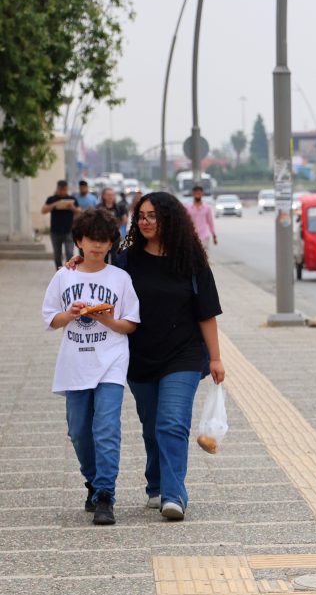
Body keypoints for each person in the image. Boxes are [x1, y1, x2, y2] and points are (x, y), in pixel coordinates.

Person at [123, 192, 225, 520]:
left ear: (169, 218)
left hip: (184, 352)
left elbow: (206, 313)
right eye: (141, 215)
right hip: (140, 354)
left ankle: (174, 494)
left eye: (153, 215)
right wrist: (76, 264)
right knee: (152, 424)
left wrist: (216, 358)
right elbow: (98, 274)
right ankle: (155, 483)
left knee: (172, 422)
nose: (145, 222)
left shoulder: (191, 260)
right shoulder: (126, 258)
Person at [42, 207, 140, 525]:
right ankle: (94, 481)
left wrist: (108, 319)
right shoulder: (64, 276)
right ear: (79, 241)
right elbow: (51, 319)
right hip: (75, 363)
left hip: (111, 361)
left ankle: (106, 495)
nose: (97, 246)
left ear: (111, 243)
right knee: (79, 432)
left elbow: (130, 325)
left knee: (106, 429)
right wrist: (71, 314)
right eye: (90, 239)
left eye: (103, 240)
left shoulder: (120, 278)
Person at [42, 180, 80, 269]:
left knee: (70, 253)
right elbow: (43, 210)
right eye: (61, 190)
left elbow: (79, 211)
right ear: (57, 189)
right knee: (57, 255)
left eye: (65, 190)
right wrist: (55, 204)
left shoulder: (72, 199)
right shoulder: (51, 199)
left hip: (69, 231)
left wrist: (72, 207)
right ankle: (59, 272)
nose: (63, 192)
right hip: (55, 232)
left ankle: (69, 271)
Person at [97, 187, 128, 263]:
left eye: (112, 195)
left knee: (115, 257)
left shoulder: (119, 207)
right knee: (103, 257)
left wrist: (117, 225)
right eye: (108, 195)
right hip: (102, 237)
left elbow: (125, 219)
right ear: (103, 196)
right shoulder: (99, 207)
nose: (110, 196)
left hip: (115, 237)